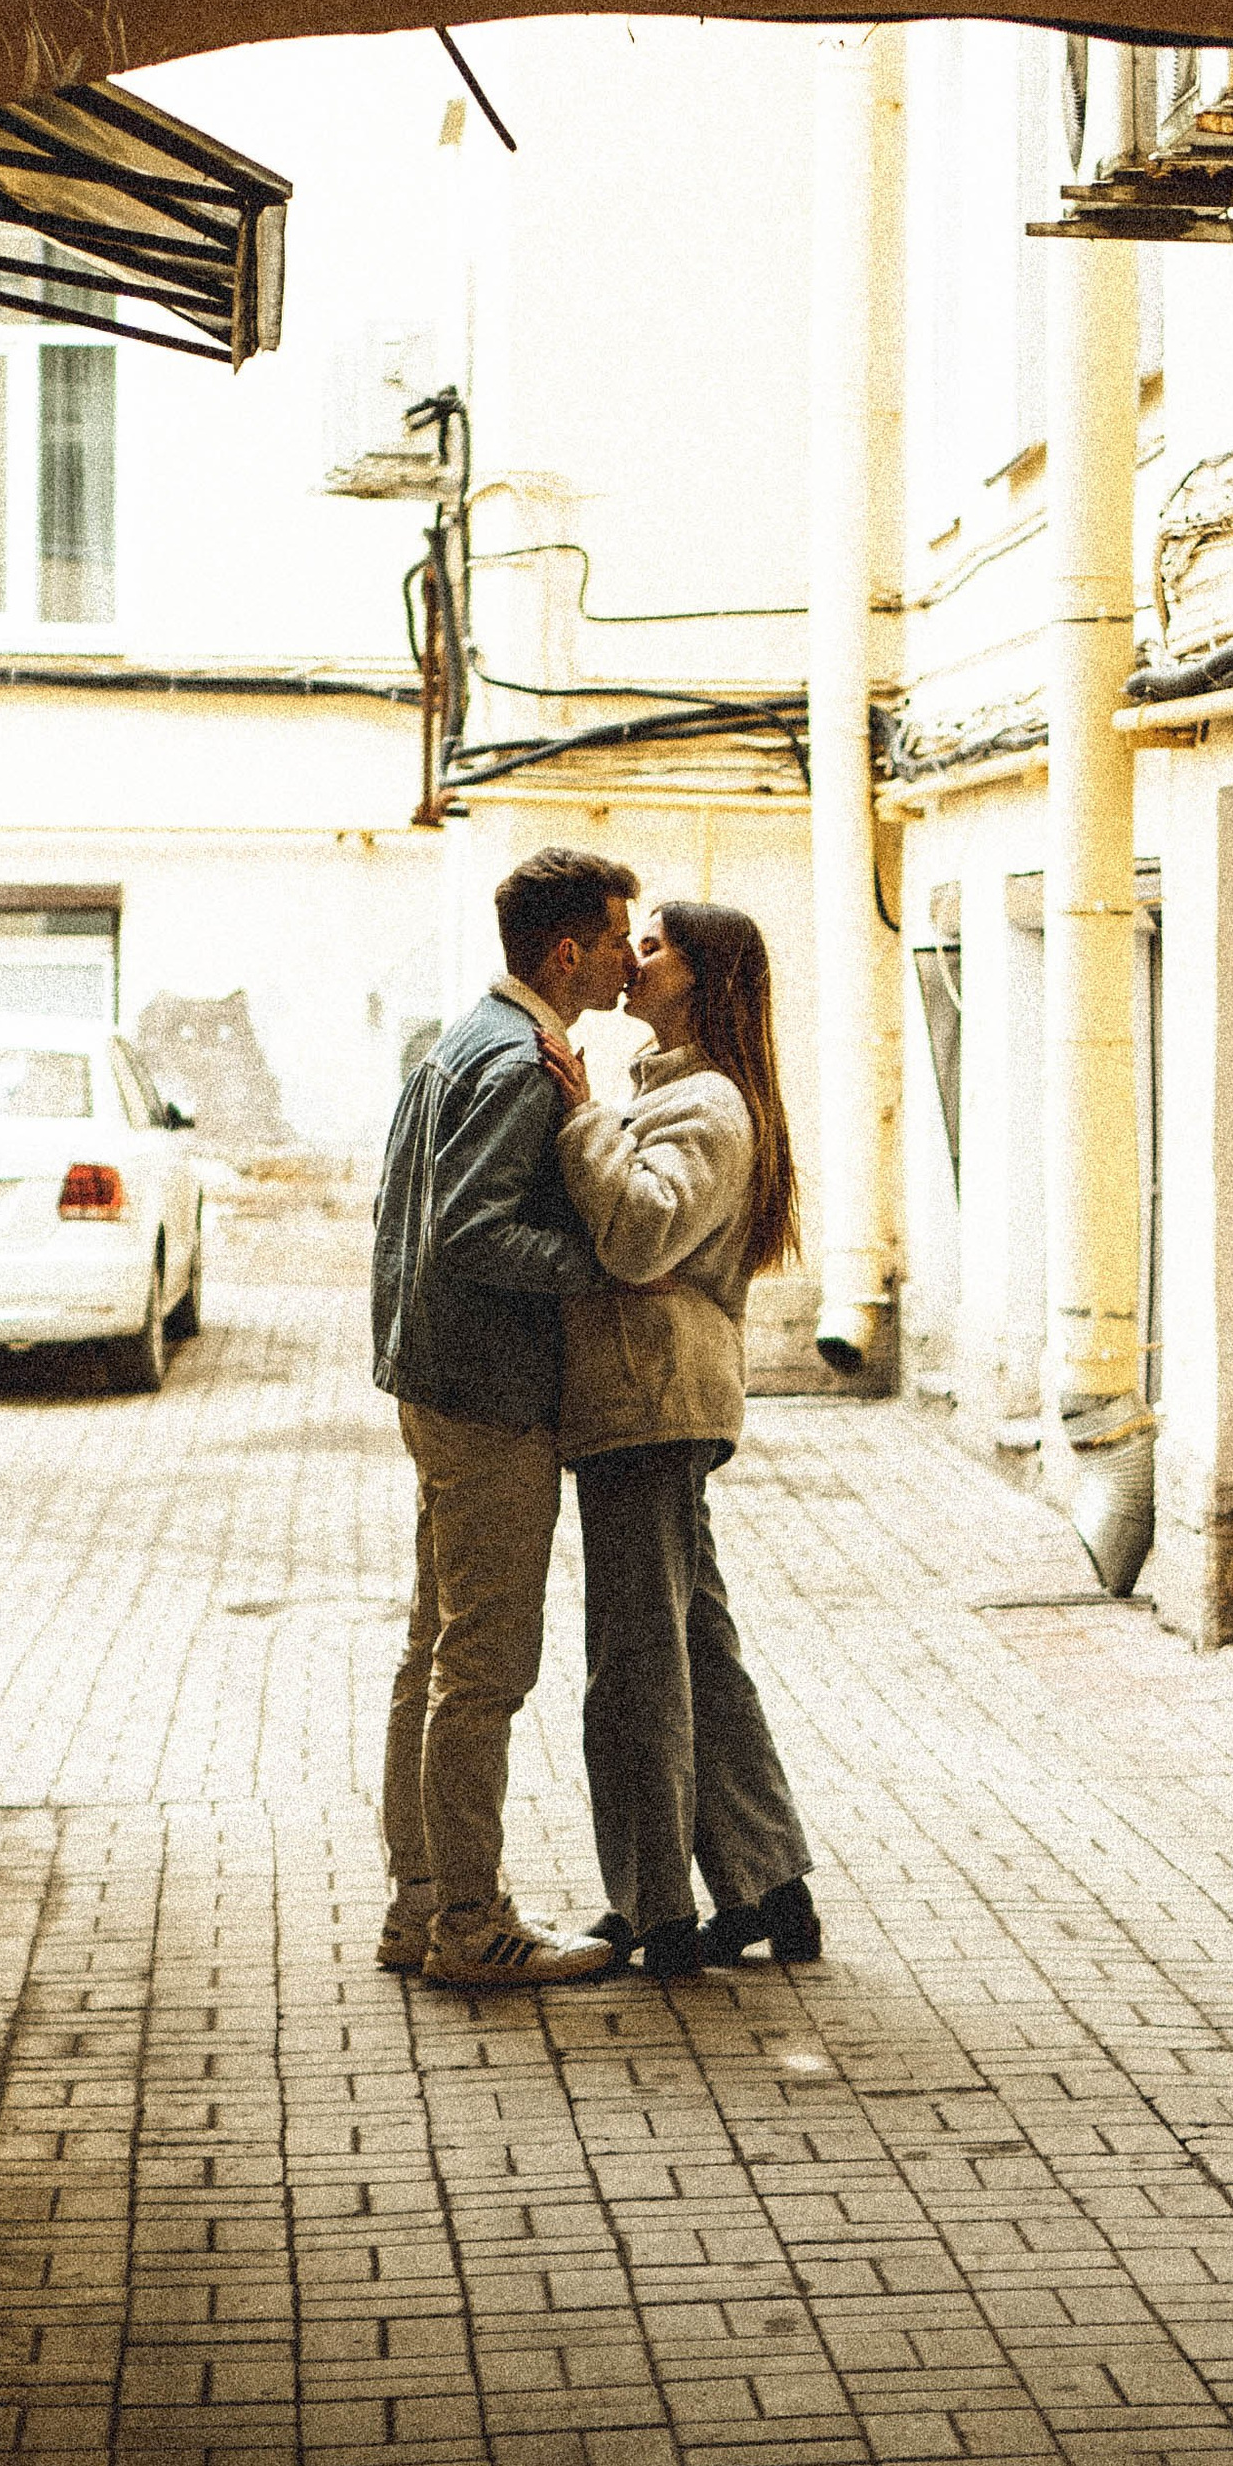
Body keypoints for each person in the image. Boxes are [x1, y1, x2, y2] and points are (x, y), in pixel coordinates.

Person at [539, 897, 821, 1983]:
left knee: (634, 1666)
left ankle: (653, 1907)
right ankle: (768, 1889)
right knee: (694, 1651)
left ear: (701, 978)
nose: (630, 958)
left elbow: (638, 1232)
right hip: (649, 1398)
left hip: (648, 1405)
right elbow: (633, 1242)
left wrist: (583, 1125)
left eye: (651, 947)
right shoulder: (675, 1091)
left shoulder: (705, 1106)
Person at [371, 844, 639, 1988]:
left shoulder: (460, 1035)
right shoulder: (523, 1062)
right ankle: (472, 1926)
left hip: (433, 1380)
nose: (633, 958)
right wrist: (603, 1267)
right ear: (569, 950)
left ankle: (420, 1906)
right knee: (483, 1667)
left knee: (434, 1648)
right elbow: (470, 1233)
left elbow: (405, 1216)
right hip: (487, 1394)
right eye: (621, 938)